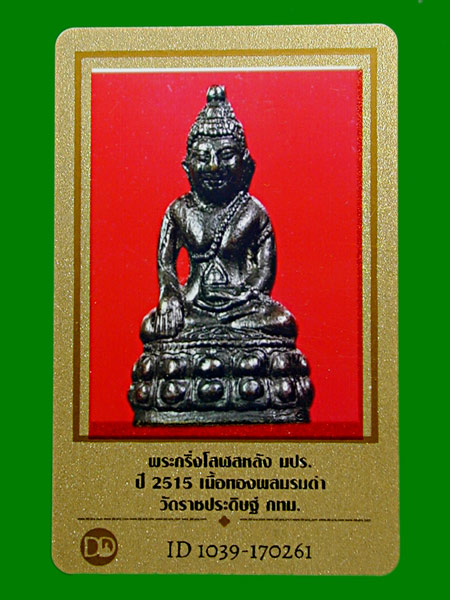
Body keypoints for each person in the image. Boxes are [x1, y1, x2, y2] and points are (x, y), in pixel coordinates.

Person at [141, 85, 297, 343]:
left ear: (246, 165)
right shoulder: (179, 210)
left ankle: (220, 332)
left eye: (226, 155)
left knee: (282, 321)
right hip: (194, 303)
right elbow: (165, 265)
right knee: (150, 326)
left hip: (241, 306)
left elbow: (264, 270)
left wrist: (244, 296)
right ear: (187, 167)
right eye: (203, 156)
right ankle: (223, 334)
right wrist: (169, 295)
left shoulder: (253, 212)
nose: (214, 166)